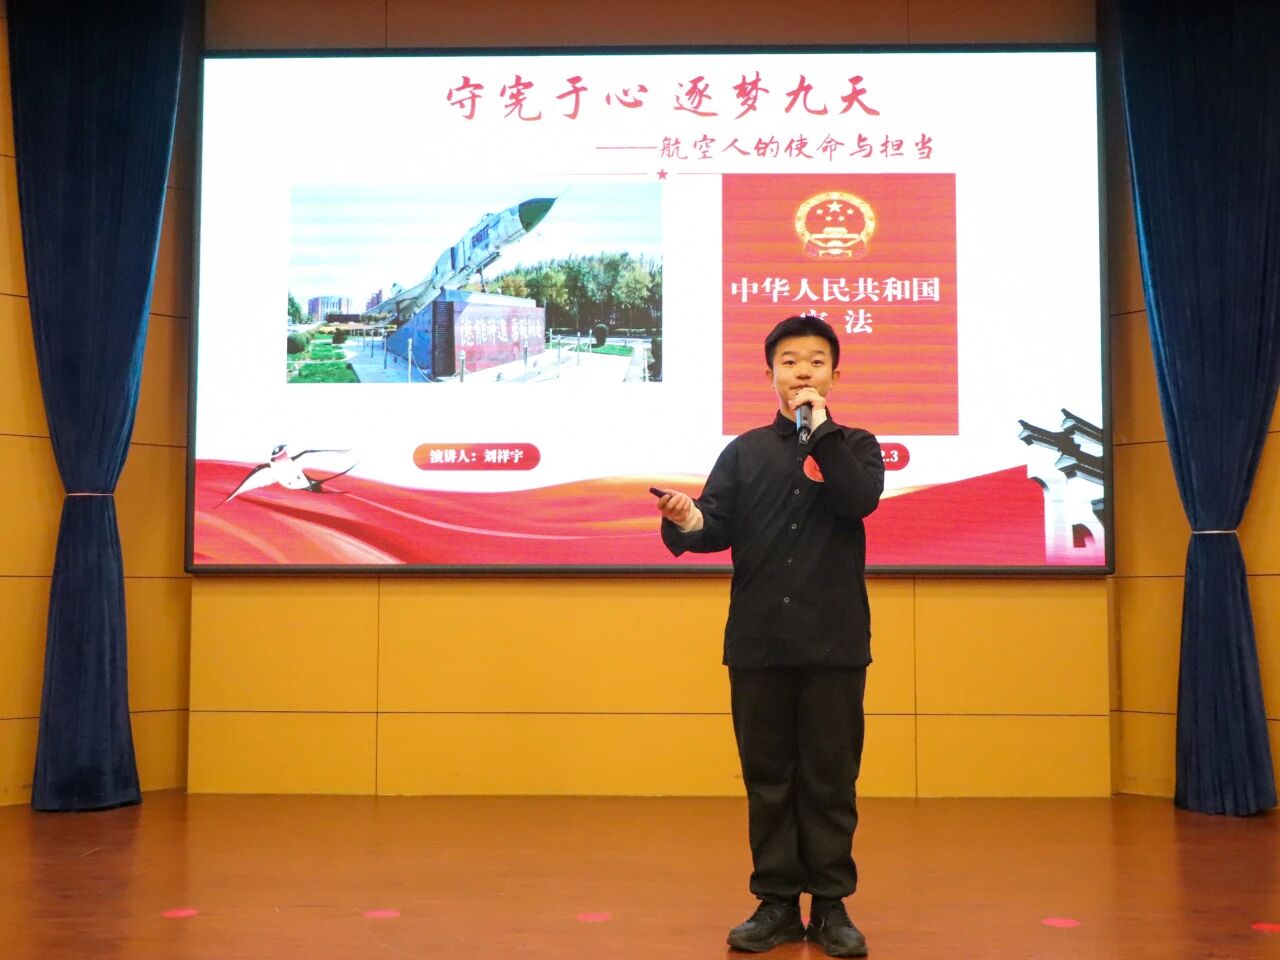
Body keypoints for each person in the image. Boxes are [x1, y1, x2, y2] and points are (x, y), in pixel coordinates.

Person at [655, 315, 884, 957]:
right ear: (769, 375)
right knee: (768, 778)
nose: (802, 371)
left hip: (834, 642)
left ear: (834, 374)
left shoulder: (857, 446)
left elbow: (857, 500)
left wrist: (822, 434)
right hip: (759, 642)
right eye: (789, 362)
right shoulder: (745, 452)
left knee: (830, 779)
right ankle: (777, 903)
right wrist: (688, 517)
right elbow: (714, 526)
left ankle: (831, 906)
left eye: (815, 361)